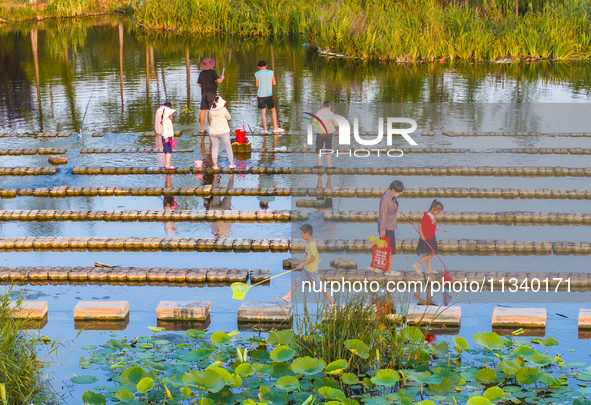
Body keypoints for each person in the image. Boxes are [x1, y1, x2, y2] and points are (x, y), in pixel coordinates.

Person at [283, 224, 335, 306]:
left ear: (307, 234)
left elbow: (313, 258)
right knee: (296, 281)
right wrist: (302, 265)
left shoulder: (312, 245)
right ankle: (288, 297)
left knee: (321, 287)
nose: (302, 236)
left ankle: (332, 301)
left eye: (302, 234)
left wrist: (302, 264)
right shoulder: (308, 244)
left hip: (312, 271)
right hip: (306, 270)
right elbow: (308, 257)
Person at [378, 180, 404, 276]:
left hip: (391, 225)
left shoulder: (391, 196)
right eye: (397, 192)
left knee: (391, 249)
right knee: (389, 250)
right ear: (393, 189)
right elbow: (383, 215)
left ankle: (388, 268)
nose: (398, 194)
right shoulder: (385, 199)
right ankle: (388, 270)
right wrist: (382, 230)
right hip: (386, 227)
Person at [413, 199, 444, 276]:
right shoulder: (426, 216)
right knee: (430, 254)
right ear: (433, 209)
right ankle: (417, 264)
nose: (438, 213)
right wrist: (422, 235)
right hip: (426, 237)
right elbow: (420, 224)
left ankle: (428, 269)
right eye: (438, 211)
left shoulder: (433, 216)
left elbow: (431, 224)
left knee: (431, 253)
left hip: (432, 236)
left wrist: (434, 227)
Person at [254, 60, 284, 134]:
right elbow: (274, 83)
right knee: (273, 110)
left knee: (263, 112)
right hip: (269, 95)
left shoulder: (257, 74)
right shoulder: (271, 72)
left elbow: (257, 85)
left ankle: (265, 130)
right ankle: (275, 128)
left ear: (259, 67)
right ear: (266, 65)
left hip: (260, 95)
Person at [198, 57, 224, 134]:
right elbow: (219, 81)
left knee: (203, 111)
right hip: (212, 93)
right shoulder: (213, 72)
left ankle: (202, 129)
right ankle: (211, 128)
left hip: (204, 93)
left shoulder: (201, 73)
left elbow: (200, 84)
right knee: (211, 111)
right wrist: (222, 77)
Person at [209, 96, 235, 170]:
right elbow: (229, 117)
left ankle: (215, 164)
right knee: (228, 147)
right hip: (224, 131)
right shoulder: (223, 110)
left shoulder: (211, 110)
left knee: (215, 148)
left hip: (214, 132)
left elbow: (210, 118)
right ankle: (231, 163)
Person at [313, 101, 339, 168]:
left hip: (320, 133)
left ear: (322, 106)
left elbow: (313, 123)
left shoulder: (318, 113)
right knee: (328, 148)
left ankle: (319, 164)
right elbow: (336, 124)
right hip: (328, 134)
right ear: (329, 107)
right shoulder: (331, 113)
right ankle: (329, 165)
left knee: (319, 148)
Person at [161, 106, 176, 170]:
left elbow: (171, 129)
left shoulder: (169, 119)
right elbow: (165, 130)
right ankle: (167, 165)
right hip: (166, 137)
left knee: (169, 151)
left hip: (169, 136)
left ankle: (168, 164)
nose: (172, 114)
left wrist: (172, 137)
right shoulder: (165, 121)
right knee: (168, 151)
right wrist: (166, 138)